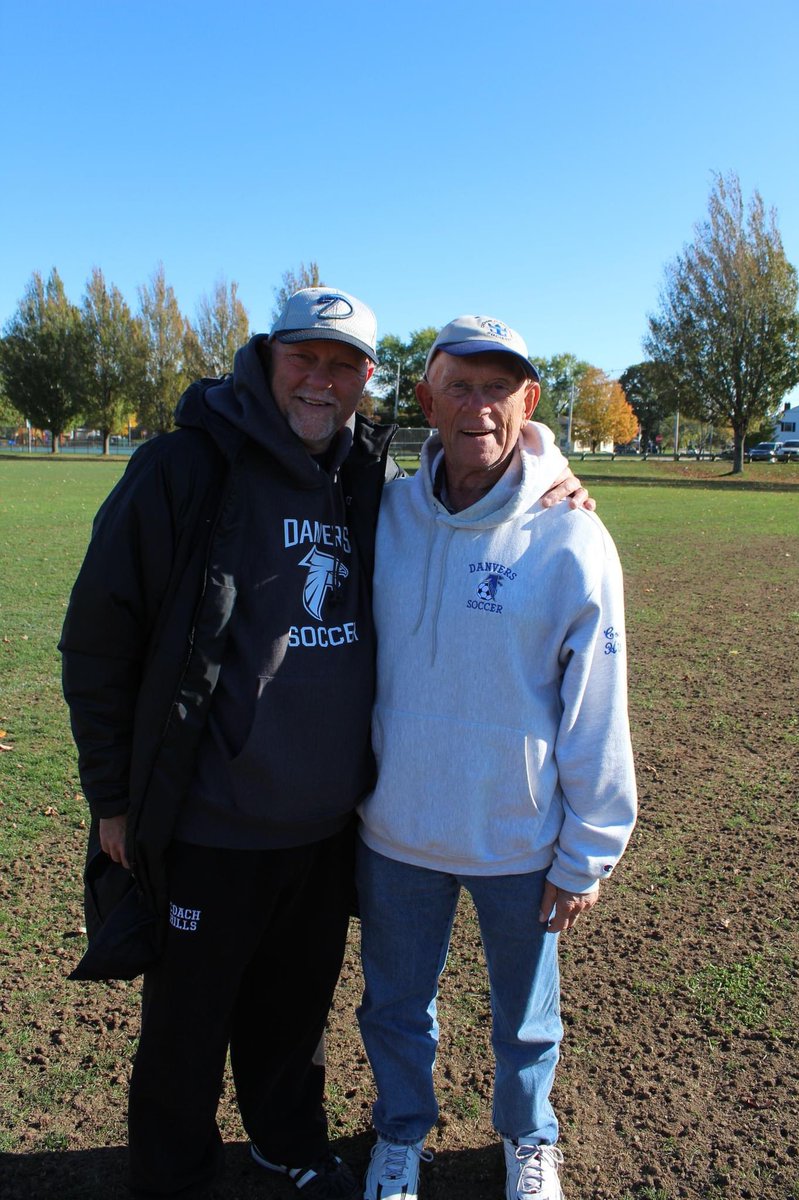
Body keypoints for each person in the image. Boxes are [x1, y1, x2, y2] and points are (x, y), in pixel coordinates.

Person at [60, 291, 591, 1200]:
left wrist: (549, 476)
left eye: (344, 364)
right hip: (209, 823)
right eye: (306, 357)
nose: (322, 379)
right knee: (187, 1025)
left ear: (368, 383)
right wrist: (113, 797)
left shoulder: (361, 479)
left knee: (293, 1017)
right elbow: (99, 637)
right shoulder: (184, 469)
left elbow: (485, 472)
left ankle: (287, 1142)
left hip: (326, 828)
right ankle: (174, 1174)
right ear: (268, 358)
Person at [356, 315, 638, 1200]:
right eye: (459, 386)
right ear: (426, 396)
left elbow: (598, 702)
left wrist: (587, 850)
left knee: (525, 1018)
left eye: (497, 388)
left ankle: (529, 1137)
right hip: (397, 832)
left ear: (530, 400)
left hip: (520, 841)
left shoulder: (572, 537)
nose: (478, 407)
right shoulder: (381, 511)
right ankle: (402, 1135)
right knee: (395, 1011)